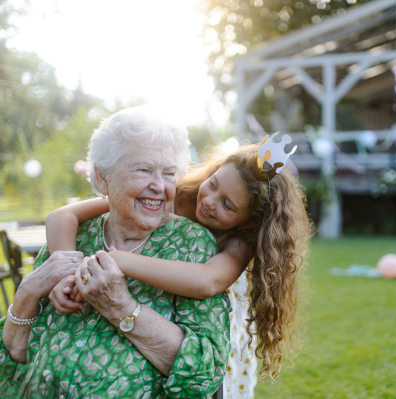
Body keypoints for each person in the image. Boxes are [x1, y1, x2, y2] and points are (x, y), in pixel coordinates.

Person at [46, 133, 313, 397]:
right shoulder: (173, 194)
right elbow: (62, 215)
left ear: (250, 221)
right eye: (214, 184)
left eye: (227, 205)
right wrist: (66, 273)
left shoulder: (240, 241)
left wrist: (121, 260)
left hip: (211, 318)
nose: (209, 201)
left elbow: (208, 280)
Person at [0, 106, 231, 398]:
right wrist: (24, 298)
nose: (158, 186)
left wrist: (122, 307)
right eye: (143, 170)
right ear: (102, 177)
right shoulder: (74, 235)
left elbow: (205, 373)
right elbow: (12, 356)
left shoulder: (191, 244)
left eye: (169, 173)